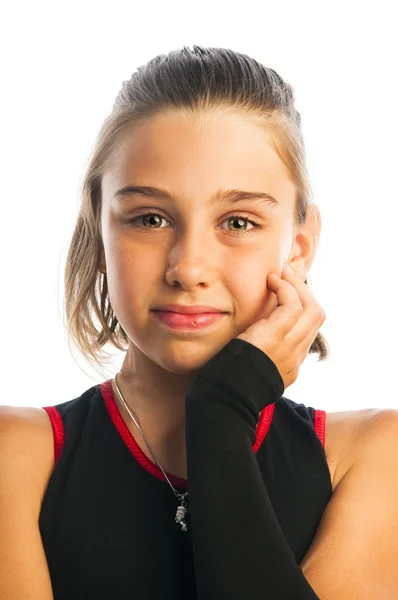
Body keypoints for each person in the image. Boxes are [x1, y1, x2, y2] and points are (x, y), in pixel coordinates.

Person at [1, 45, 397, 600]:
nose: (187, 268)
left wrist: (221, 409)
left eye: (238, 221)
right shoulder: (14, 457)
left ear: (299, 249)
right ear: (100, 238)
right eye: (150, 218)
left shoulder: (373, 455)